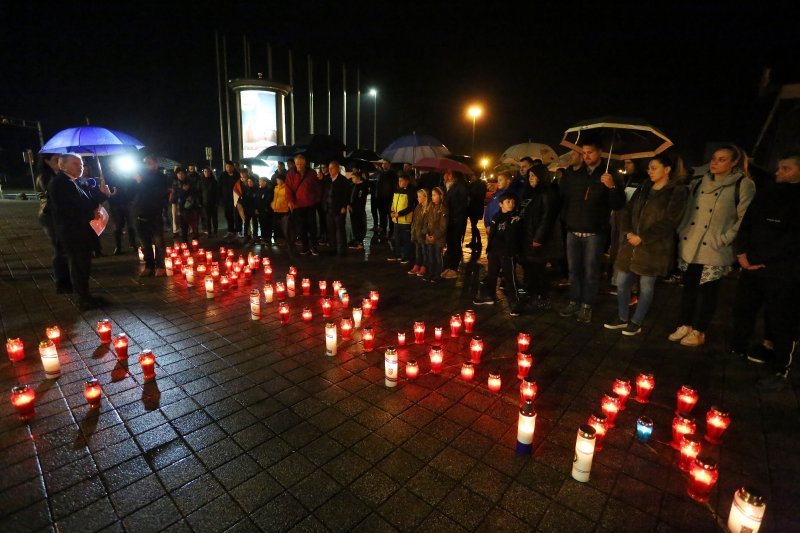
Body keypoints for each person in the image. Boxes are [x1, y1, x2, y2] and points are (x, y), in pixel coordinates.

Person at [669, 145, 756, 347]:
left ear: (734, 162)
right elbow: (689, 211)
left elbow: (744, 218)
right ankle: (685, 324)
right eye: (714, 158)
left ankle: (700, 330)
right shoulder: (699, 182)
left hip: (715, 246)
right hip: (691, 242)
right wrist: (682, 231)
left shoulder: (743, 184)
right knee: (688, 287)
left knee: (709, 291)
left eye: (722, 159)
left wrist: (725, 238)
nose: (715, 162)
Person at [731, 154, 800, 391]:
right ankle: (738, 349)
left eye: (786, 169)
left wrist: (762, 259)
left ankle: (780, 367)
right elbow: (747, 223)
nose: (779, 172)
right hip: (751, 265)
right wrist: (742, 254)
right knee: (743, 309)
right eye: (779, 168)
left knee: (782, 319)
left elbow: (792, 239)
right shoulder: (767, 193)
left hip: (782, 270)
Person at [603, 154, 689, 335]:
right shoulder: (644, 187)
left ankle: (637, 321)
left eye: (654, 168)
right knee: (623, 281)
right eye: (649, 168)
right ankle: (622, 317)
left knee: (647, 285)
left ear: (667, 169)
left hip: (654, 247)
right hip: (631, 243)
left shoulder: (677, 191)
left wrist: (643, 237)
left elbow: (671, 220)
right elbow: (628, 210)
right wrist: (628, 232)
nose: (649, 171)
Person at [558, 141, 626, 323]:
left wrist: (611, 186)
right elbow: (564, 198)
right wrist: (566, 219)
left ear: (600, 152)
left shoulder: (609, 174)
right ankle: (574, 300)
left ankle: (587, 305)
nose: (586, 156)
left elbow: (618, 204)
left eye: (590, 152)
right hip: (573, 230)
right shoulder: (574, 173)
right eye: (584, 152)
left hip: (594, 233)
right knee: (573, 271)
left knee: (590, 271)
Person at [47, 153, 110, 310]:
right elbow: (79, 206)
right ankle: (82, 299)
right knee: (78, 266)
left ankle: (85, 296)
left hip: (81, 231)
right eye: (76, 164)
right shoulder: (60, 183)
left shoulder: (75, 181)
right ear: (63, 165)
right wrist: (101, 198)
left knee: (83, 265)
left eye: (81, 164)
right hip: (73, 233)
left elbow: (88, 201)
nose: (80, 167)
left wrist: (102, 194)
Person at [519, 166, 563, 313]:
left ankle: (542, 298)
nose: (530, 178)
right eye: (529, 175)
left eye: (533, 175)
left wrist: (538, 238)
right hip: (527, 236)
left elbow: (547, 218)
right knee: (530, 268)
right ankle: (532, 295)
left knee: (539, 269)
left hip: (539, 239)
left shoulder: (546, 193)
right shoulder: (531, 193)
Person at [473, 191, 522, 311]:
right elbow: (492, 234)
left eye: (513, 202)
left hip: (506, 252)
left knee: (509, 277)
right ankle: (490, 296)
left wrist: (512, 251)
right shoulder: (496, 217)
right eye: (508, 202)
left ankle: (514, 301)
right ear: (501, 204)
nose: (511, 204)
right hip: (494, 251)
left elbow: (515, 237)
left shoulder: (514, 219)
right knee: (491, 275)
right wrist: (489, 248)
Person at [36, 153, 72, 293]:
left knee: (63, 248)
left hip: (56, 215)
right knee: (60, 248)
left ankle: (66, 280)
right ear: (47, 161)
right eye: (56, 160)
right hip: (50, 217)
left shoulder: (55, 175)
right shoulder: (46, 177)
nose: (59, 162)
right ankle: (62, 283)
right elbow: (54, 196)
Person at [133, 155, 169, 277]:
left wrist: (141, 182)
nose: (147, 165)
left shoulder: (161, 177)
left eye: (150, 163)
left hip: (155, 214)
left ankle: (160, 266)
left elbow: (157, 193)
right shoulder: (138, 176)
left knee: (159, 242)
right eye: (145, 163)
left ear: (156, 163)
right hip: (140, 214)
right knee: (145, 244)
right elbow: (130, 193)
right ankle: (149, 267)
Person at [285, 153, 322, 255]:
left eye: (301, 164)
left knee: (312, 227)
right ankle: (305, 247)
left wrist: (316, 199)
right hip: (298, 205)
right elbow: (288, 189)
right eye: (297, 164)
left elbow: (317, 187)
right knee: (302, 228)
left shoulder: (312, 173)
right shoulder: (290, 174)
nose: (299, 166)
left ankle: (313, 247)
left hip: (310, 204)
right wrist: (290, 201)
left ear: (305, 163)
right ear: (295, 163)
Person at [441, 170, 469, 279]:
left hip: (457, 221)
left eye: (447, 173)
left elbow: (462, 205)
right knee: (450, 244)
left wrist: (453, 216)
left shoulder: (461, 186)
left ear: (452, 175)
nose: (444, 176)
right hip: (450, 220)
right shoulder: (449, 186)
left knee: (455, 244)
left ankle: (453, 268)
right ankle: (449, 266)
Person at [105, 168, 137, 255]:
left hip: (127, 203)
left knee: (131, 224)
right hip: (116, 204)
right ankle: (118, 246)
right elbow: (107, 189)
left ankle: (133, 244)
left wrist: (132, 200)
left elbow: (134, 188)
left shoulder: (129, 177)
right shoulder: (110, 177)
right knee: (117, 226)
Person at [322, 161, 351, 257]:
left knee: (340, 229)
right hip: (329, 209)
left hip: (338, 209)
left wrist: (344, 206)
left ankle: (341, 250)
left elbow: (346, 195)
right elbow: (325, 193)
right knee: (331, 229)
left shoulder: (343, 180)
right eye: (329, 168)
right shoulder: (327, 180)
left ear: (337, 169)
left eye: (332, 168)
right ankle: (333, 248)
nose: (330, 170)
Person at [388, 174, 417, 263]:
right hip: (396, 220)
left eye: (401, 180)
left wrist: (399, 214)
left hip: (405, 220)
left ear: (407, 181)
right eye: (399, 180)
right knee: (397, 238)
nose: (399, 182)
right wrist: (391, 211)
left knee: (406, 239)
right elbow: (392, 203)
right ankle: (398, 255)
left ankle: (407, 256)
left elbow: (410, 206)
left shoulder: (411, 191)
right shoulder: (397, 190)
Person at [423, 186, 448, 283]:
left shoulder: (443, 209)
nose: (432, 197)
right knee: (430, 255)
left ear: (441, 196)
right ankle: (431, 272)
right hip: (429, 237)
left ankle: (437, 274)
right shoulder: (430, 207)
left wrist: (435, 236)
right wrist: (426, 234)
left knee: (438, 256)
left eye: (434, 195)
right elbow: (426, 221)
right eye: (432, 195)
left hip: (438, 239)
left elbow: (443, 226)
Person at [173, 168, 201, 242]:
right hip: (181, 208)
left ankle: (195, 242)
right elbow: (174, 197)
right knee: (184, 227)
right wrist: (183, 191)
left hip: (192, 207)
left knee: (194, 226)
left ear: (185, 174)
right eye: (179, 174)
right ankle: (185, 243)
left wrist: (190, 195)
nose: (180, 175)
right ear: (176, 175)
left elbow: (197, 193)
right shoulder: (175, 184)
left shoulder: (191, 182)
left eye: (182, 173)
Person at [374, 158, 397, 240]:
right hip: (381, 199)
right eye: (383, 163)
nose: (384, 164)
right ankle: (383, 231)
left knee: (390, 216)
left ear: (389, 164)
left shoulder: (393, 174)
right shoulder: (380, 173)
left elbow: (394, 187)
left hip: (390, 198)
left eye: (386, 163)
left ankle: (391, 232)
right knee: (382, 216)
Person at [408, 188, 429, 276]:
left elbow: (427, 223)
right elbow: (414, 220)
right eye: (417, 197)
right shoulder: (418, 207)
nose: (418, 198)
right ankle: (417, 265)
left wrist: (423, 232)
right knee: (418, 250)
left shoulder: (428, 208)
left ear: (425, 197)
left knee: (424, 251)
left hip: (422, 235)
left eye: (420, 196)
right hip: (417, 234)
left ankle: (424, 267)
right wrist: (413, 229)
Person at [348, 169, 369, 250]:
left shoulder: (363, 187)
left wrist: (354, 206)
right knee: (354, 225)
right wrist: (349, 204)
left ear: (358, 178)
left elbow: (360, 199)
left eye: (353, 177)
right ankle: (356, 239)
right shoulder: (353, 185)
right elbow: (350, 196)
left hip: (359, 209)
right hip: (352, 209)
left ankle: (360, 241)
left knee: (360, 224)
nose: (352, 179)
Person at [466, 173, 487, 251]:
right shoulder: (475, 184)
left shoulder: (479, 184)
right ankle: (475, 241)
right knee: (473, 225)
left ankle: (478, 242)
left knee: (474, 226)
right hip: (473, 208)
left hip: (475, 208)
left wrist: (470, 193)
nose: (471, 177)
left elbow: (478, 195)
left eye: (472, 176)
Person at [219, 161, 239, 237]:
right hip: (226, 199)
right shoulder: (222, 175)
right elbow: (219, 187)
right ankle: (230, 230)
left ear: (233, 167)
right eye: (227, 167)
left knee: (236, 216)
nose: (228, 168)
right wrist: (220, 198)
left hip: (236, 198)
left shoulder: (237, 175)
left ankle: (238, 231)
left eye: (230, 167)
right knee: (228, 215)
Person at [271, 174, 290, 248]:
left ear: (282, 180)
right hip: (276, 209)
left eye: (278, 179)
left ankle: (285, 241)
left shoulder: (286, 188)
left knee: (284, 227)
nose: (277, 181)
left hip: (284, 210)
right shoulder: (276, 188)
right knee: (277, 226)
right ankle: (278, 240)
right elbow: (275, 198)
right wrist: (272, 204)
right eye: (276, 180)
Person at [199, 167, 219, 236]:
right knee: (207, 218)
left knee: (214, 218)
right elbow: (199, 193)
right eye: (205, 171)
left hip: (213, 202)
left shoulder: (214, 181)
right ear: (203, 173)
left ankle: (215, 231)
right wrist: (200, 202)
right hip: (205, 203)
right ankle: (209, 232)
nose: (206, 173)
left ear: (210, 172)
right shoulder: (201, 181)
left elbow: (217, 193)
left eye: (208, 171)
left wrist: (217, 202)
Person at [255, 175, 274, 244]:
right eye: (259, 182)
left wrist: (264, 206)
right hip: (260, 210)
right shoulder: (259, 190)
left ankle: (268, 238)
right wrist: (256, 208)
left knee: (267, 224)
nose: (259, 183)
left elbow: (267, 200)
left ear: (265, 182)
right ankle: (263, 237)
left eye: (261, 182)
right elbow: (257, 199)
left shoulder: (269, 190)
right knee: (262, 224)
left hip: (266, 210)